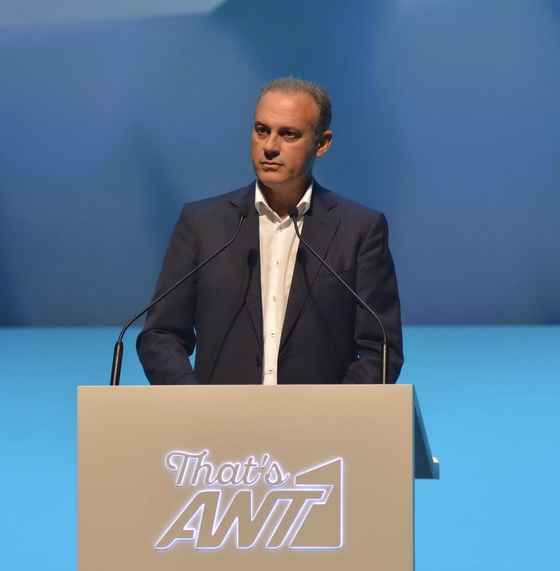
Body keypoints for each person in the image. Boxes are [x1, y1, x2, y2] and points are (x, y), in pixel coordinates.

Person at [136, 77, 402, 384]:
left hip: (318, 415)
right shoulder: (201, 223)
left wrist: (336, 411)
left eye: (289, 134)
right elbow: (161, 335)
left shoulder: (360, 230)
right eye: (262, 130)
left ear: (322, 143)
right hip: (218, 413)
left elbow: (380, 349)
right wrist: (194, 402)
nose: (270, 147)